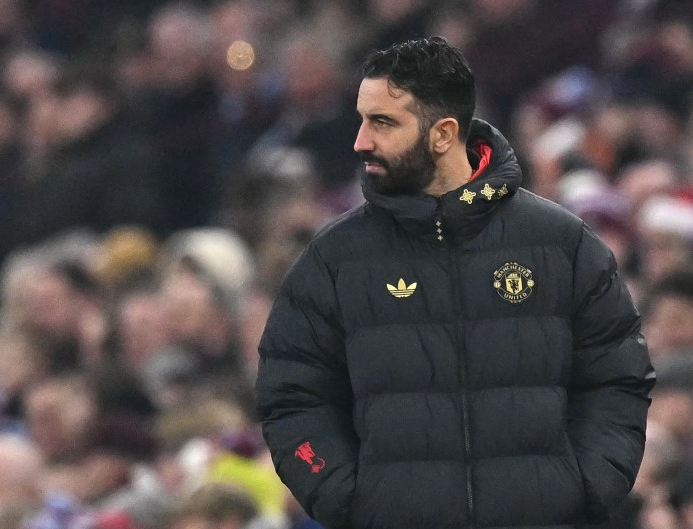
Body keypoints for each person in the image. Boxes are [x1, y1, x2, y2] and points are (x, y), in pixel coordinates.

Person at [254, 37, 655, 529]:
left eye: (382, 122)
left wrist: (584, 489)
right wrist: (350, 499)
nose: (360, 140)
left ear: (443, 134)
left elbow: (617, 379)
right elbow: (292, 397)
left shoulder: (562, 245)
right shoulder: (333, 261)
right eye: (362, 118)